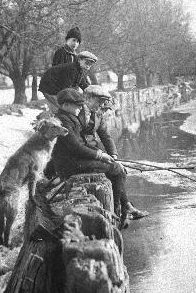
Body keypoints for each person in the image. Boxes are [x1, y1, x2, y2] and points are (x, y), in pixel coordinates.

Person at [51, 87, 148, 227]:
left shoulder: (80, 115)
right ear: (88, 99)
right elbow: (76, 145)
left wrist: (112, 155)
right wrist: (100, 155)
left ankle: (121, 208)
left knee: (117, 167)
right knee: (117, 170)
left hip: (82, 154)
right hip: (73, 160)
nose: (101, 105)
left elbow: (105, 136)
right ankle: (118, 211)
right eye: (99, 101)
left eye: (103, 102)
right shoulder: (70, 117)